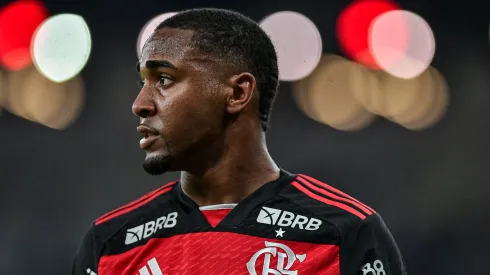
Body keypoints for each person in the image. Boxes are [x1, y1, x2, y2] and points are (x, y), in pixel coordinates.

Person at [73, 8, 406, 275]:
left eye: (163, 79)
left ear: (237, 93)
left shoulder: (343, 234)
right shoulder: (110, 246)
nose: (140, 103)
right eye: (142, 82)